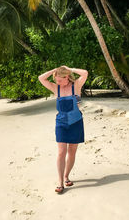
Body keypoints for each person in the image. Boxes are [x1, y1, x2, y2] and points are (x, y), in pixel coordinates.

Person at [38, 65, 88, 194]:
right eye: (56, 80)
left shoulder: (76, 85)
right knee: (61, 152)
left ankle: (66, 176)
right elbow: (41, 78)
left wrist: (70, 69)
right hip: (61, 123)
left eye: (59, 80)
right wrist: (54, 70)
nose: (57, 83)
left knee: (72, 151)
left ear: (67, 77)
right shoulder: (56, 88)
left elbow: (85, 73)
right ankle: (60, 182)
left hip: (76, 122)